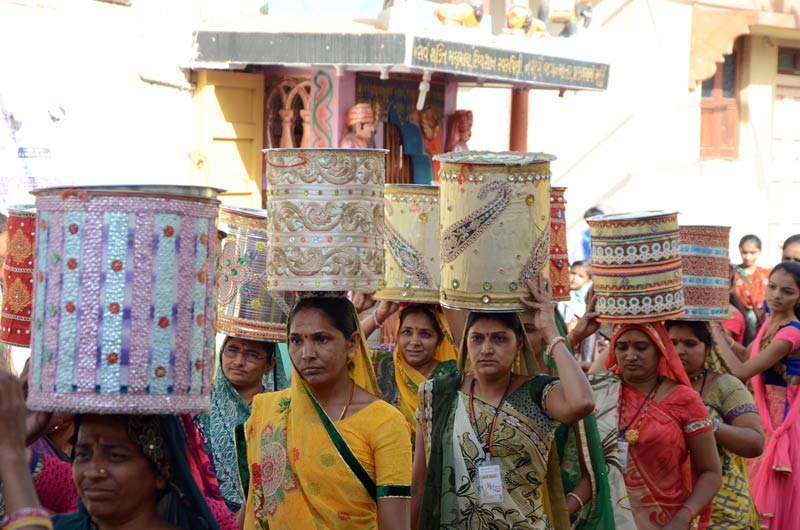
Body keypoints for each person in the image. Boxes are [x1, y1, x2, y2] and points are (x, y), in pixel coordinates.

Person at [411, 274, 596, 530]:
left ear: (518, 343)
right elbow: (419, 485)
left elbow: (582, 402)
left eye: (499, 339)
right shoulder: (438, 394)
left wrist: (550, 331)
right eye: (477, 338)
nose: (486, 349)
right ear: (465, 343)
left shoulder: (538, 393)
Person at [242, 295, 411, 529]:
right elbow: (254, 505)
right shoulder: (270, 411)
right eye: (296, 340)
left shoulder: (385, 422)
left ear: (352, 343)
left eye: (321, 339)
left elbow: (394, 525)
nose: (307, 354)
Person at [591, 321, 722, 529]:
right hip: (604, 518)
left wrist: (683, 518)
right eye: (622, 347)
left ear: (659, 349)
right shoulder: (600, 392)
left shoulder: (684, 399)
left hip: (666, 520)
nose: (630, 355)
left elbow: (711, 473)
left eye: (641, 347)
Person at [714, 262, 800, 530]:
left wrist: (713, 330)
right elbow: (746, 355)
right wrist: (723, 335)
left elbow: (740, 371)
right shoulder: (771, 324)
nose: (776, 295)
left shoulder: (791, 332)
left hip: (780, 424)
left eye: (787, 291)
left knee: (770, 501)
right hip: (761, 418)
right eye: (772, 287)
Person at [666, 320, 763, 529]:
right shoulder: (653, 384)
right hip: (664, 503)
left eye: (690, 344)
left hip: (721, 508)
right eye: (672, 343)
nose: (680, 351)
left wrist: (706, 424)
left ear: (708, 347)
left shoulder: (725, 386)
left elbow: (755, 443)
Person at [195, 336, 277, 513]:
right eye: (232, 350)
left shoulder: (279, 410)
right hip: (203, 514)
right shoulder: (199, 404)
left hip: (263, 515)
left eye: (252, 354)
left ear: (270, 365)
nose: (239, 362)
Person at [368, 304, 458, 438]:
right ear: (397, 335)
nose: (414, 342)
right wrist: (379, 316)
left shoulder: (451, 374)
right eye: (407, 332)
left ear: (439, 340)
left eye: (425, 334)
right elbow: (346, 352)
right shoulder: (381, 364)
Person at [733, 235, 770, 340]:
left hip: (762, 324)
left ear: (759, 251)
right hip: (738, 321)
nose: (748, 257)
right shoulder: (733, 273)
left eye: (752, 253)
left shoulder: (766, 275)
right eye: (744, 252)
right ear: (740, 250)